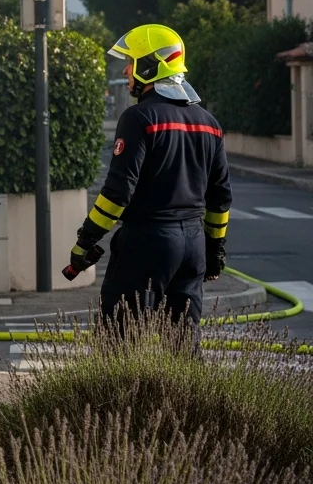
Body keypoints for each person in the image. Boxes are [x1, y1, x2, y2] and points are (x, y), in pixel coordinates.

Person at [69, 24, 231, 328]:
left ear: (148, 66)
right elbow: (220, 198)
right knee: (183, 344)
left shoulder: (139, 118)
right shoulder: (209, 122)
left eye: (131, 63)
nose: (127, 71)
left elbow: (118, 192)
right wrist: (215, 250)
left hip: (147, 241)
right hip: (193, 246)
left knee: (120, 340)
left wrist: (86, 240)